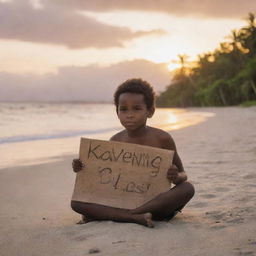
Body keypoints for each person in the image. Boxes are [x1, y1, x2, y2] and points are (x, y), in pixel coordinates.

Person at [71, 78, 195, 228]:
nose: (129, 115)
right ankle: (135, 217)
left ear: (150, 111)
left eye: (136, 109)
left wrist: (175, 176)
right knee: (76, 203)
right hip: (123, 202)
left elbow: (182, 175)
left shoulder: (163, 139)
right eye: (123, 109)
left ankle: (130, 216)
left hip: (156, 206)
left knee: (188, 188)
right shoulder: (115, 141)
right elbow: (104, 180)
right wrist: (83, 167)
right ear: (117, 112)